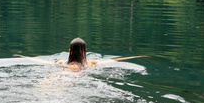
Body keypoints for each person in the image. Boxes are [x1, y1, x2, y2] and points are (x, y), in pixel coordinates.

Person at [14, 38, 146, 71]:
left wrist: (24, 57)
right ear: (86, 52)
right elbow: (115, 60)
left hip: (65, 72)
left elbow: (43, 62)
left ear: (69, 51)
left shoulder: (62, 63)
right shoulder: (91, 63)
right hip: (80, 73)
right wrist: (137, 57)